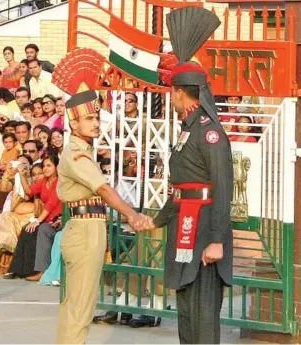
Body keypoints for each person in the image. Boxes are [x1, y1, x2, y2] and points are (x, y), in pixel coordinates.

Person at [132, 7, 233, 344]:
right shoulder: (185, 131)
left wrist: (218, 238)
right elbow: (180, 191)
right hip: (184, 230)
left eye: (172, 92)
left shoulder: (210, 133)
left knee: (204, 317)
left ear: (180, 92)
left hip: (205, 232)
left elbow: (222, 186)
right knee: (187, 313)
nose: (171, 98)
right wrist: (157, 221)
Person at [55, 89, 149, 344]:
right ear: (74, 124)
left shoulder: (82, 150)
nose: (96, 123)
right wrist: (132, 214)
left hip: (88, 227)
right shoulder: (76, 153)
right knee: (81, 304)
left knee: (78, 301)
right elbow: (104, 189)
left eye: (96, 117)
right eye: (89, 119)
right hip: (85, 230)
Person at [8, 155, 62, 280]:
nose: (45, 169)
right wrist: (21, 174)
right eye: (44, 166)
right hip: (47, 220)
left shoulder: (59, 183)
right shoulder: (44, 182)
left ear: (57, 167)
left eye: (49, 166)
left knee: (40, 229)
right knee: (27, 229)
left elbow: (51, 204)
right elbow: (28, 192)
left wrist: (37, 221)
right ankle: (21, 270)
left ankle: (41, 271)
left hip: (58, 221)